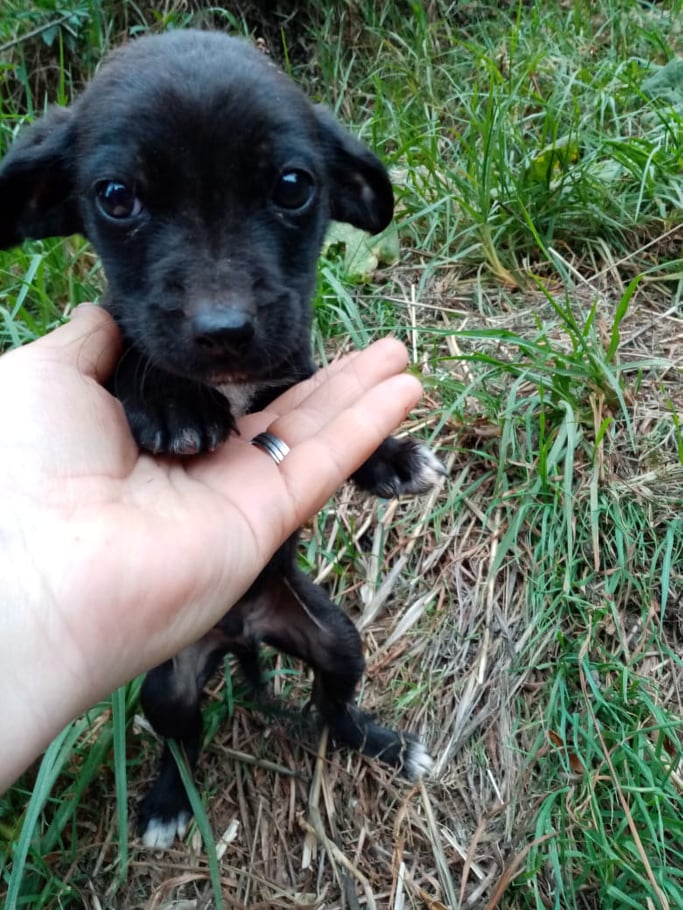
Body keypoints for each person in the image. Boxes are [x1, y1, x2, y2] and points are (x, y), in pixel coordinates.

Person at [0, 304, 423, 791]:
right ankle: (179, 764)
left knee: (341, 652)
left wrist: (371, 454)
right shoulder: (131, 350)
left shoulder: (272, 329)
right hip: (178, 601)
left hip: (272, 584)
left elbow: (306, 407)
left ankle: (340, 720)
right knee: (168, 702)